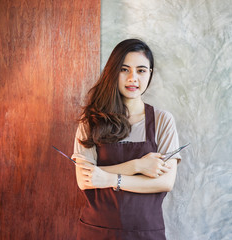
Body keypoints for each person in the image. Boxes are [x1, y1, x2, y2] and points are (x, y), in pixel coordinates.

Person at [71, 39, 181, 240]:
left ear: (150, 74)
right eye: (124, 69)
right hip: (97, 231)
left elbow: (165, 182)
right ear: (113, 72)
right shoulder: (91, 121)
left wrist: (110, 179)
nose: (133, 78)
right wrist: (138, 166)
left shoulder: (163, 121)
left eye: (141, 70)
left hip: (146, 232)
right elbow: (85, 179)